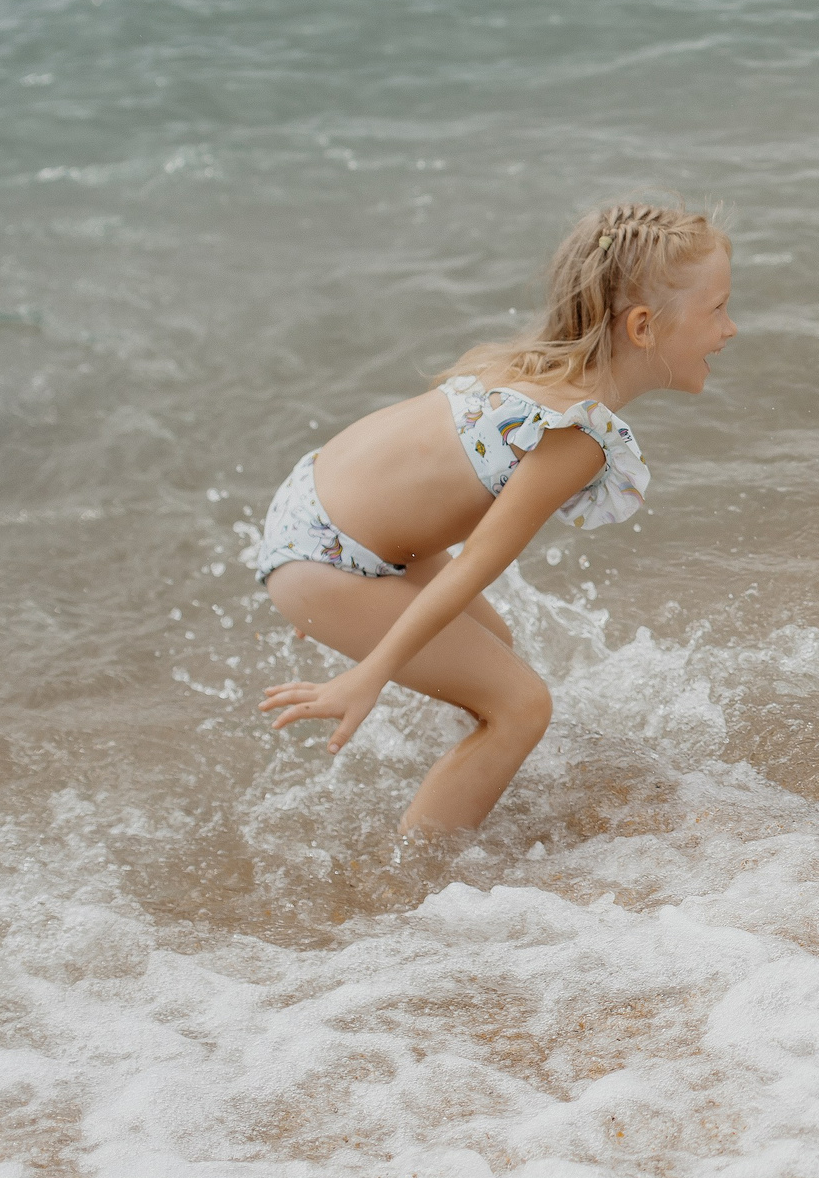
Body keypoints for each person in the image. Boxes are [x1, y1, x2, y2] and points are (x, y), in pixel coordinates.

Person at [253, 202, 736, 833]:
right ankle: (416, 877)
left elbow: (405, 468)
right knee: (523, 705)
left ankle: (467, 785)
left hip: (317, 510)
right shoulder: (577, 435)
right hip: (326, 556)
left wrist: (343, 583)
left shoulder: (534, 369)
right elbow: (478, 562)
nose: (730, 329)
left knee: (496, 651)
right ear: (643, 327)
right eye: (718, 308)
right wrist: (367, 670)